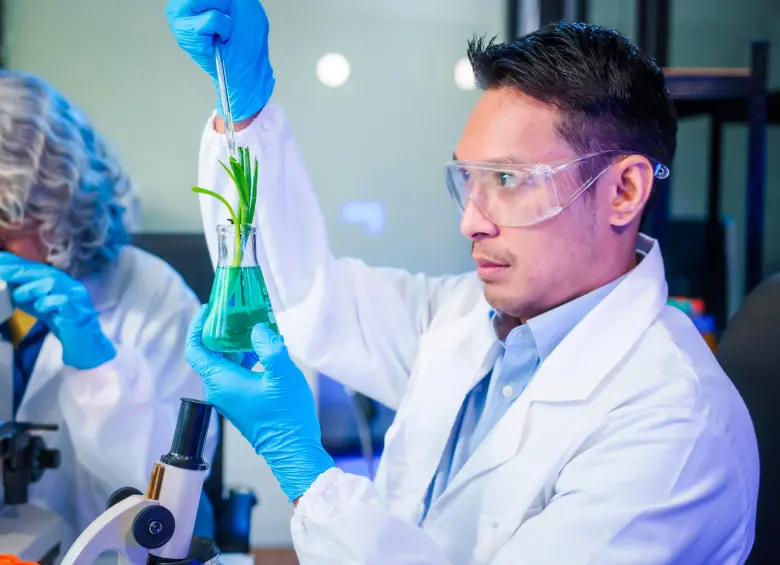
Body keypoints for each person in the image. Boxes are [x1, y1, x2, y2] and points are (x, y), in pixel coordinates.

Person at [168, 2, 759, 563]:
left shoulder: (676, 426)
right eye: (469, 180)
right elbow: (304, 299)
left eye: (507, 178)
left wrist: (308, 477)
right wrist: (245, 114)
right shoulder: (465, 317)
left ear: (624, 191)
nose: (470, 222)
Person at [0, 71, 216, 549]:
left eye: (6, 226)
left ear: (60, 204)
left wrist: (97, 365)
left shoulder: (156, 297)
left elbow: (167, 511)